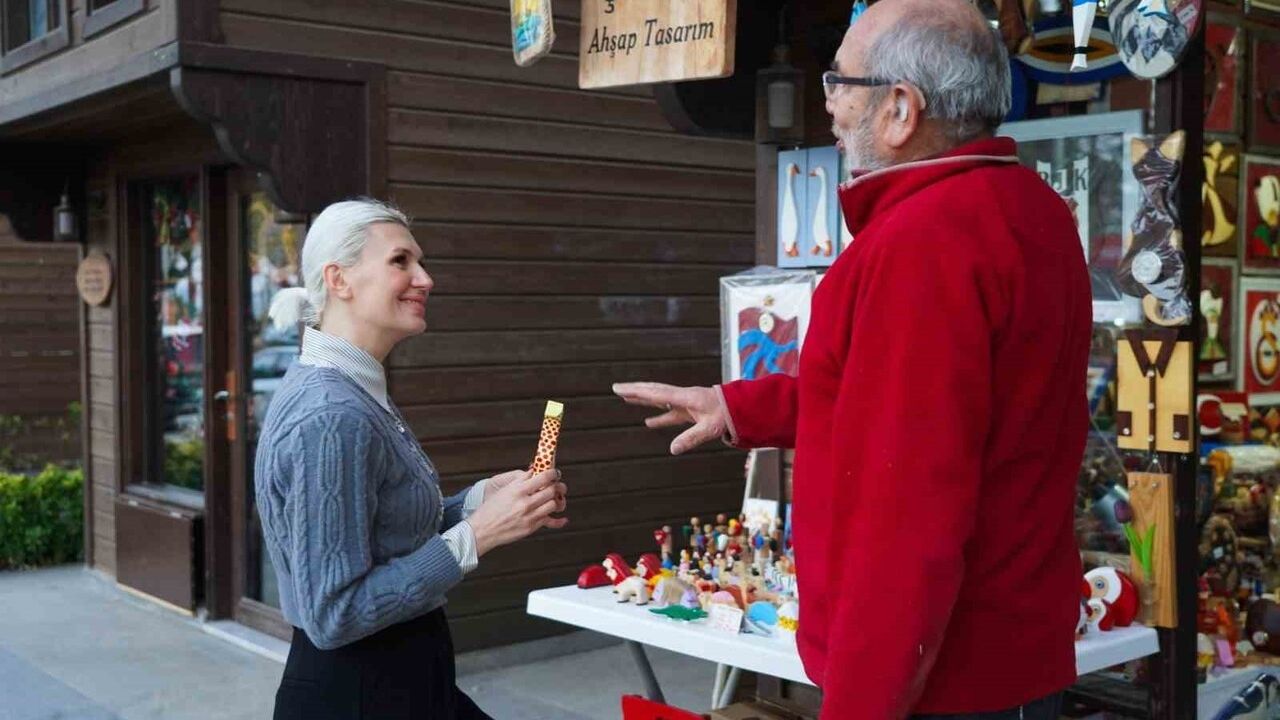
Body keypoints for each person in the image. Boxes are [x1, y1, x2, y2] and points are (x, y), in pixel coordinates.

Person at [614, 1, 1091, 717]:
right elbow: (899, 400)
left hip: (951, 681)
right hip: (1009, 660)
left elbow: (905, 519)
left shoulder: (923, 241)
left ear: (900, 109)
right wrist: (736, 405)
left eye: (840, 80)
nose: (830, 103)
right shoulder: (1029, 207)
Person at [256, 199, 568, 720]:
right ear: (339, 279)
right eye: (400, 261)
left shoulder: (350, 388)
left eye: (419, 261)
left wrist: (478, 502)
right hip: (361, 695)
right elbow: (335, 613)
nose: (425, 279)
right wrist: (478, 535)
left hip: (402, 683)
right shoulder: (332, 414)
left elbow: (381, 533)